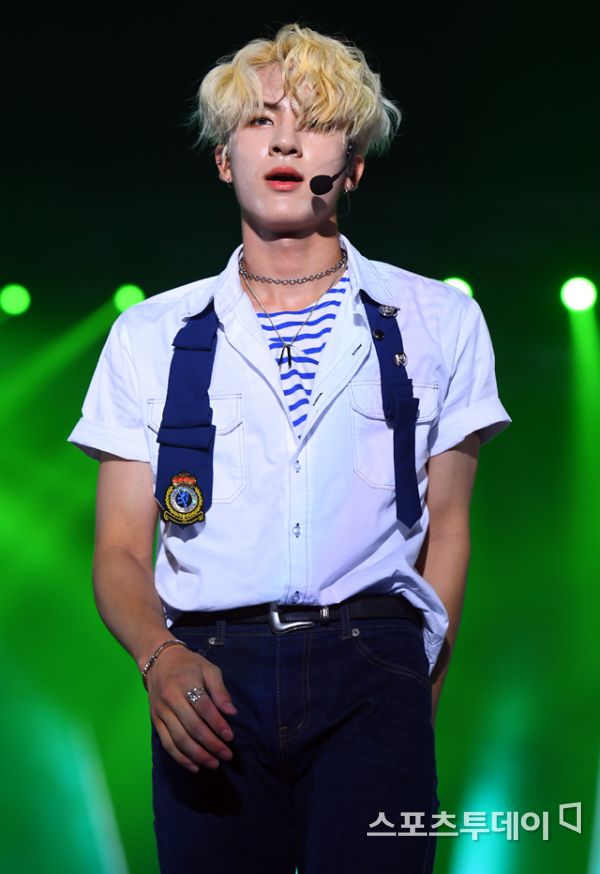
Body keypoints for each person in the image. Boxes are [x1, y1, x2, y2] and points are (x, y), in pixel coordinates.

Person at [68, 22, 511, 874]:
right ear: (223, 158)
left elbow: (448, 525)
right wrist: (159, 657)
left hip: (375, 665)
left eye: (314, 121)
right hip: (208, 670)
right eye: (260, 119)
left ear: (353, 166)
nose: (283, 139)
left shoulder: (440, 319)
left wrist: (418, 688)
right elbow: (120, 549)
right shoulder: (149, 333)